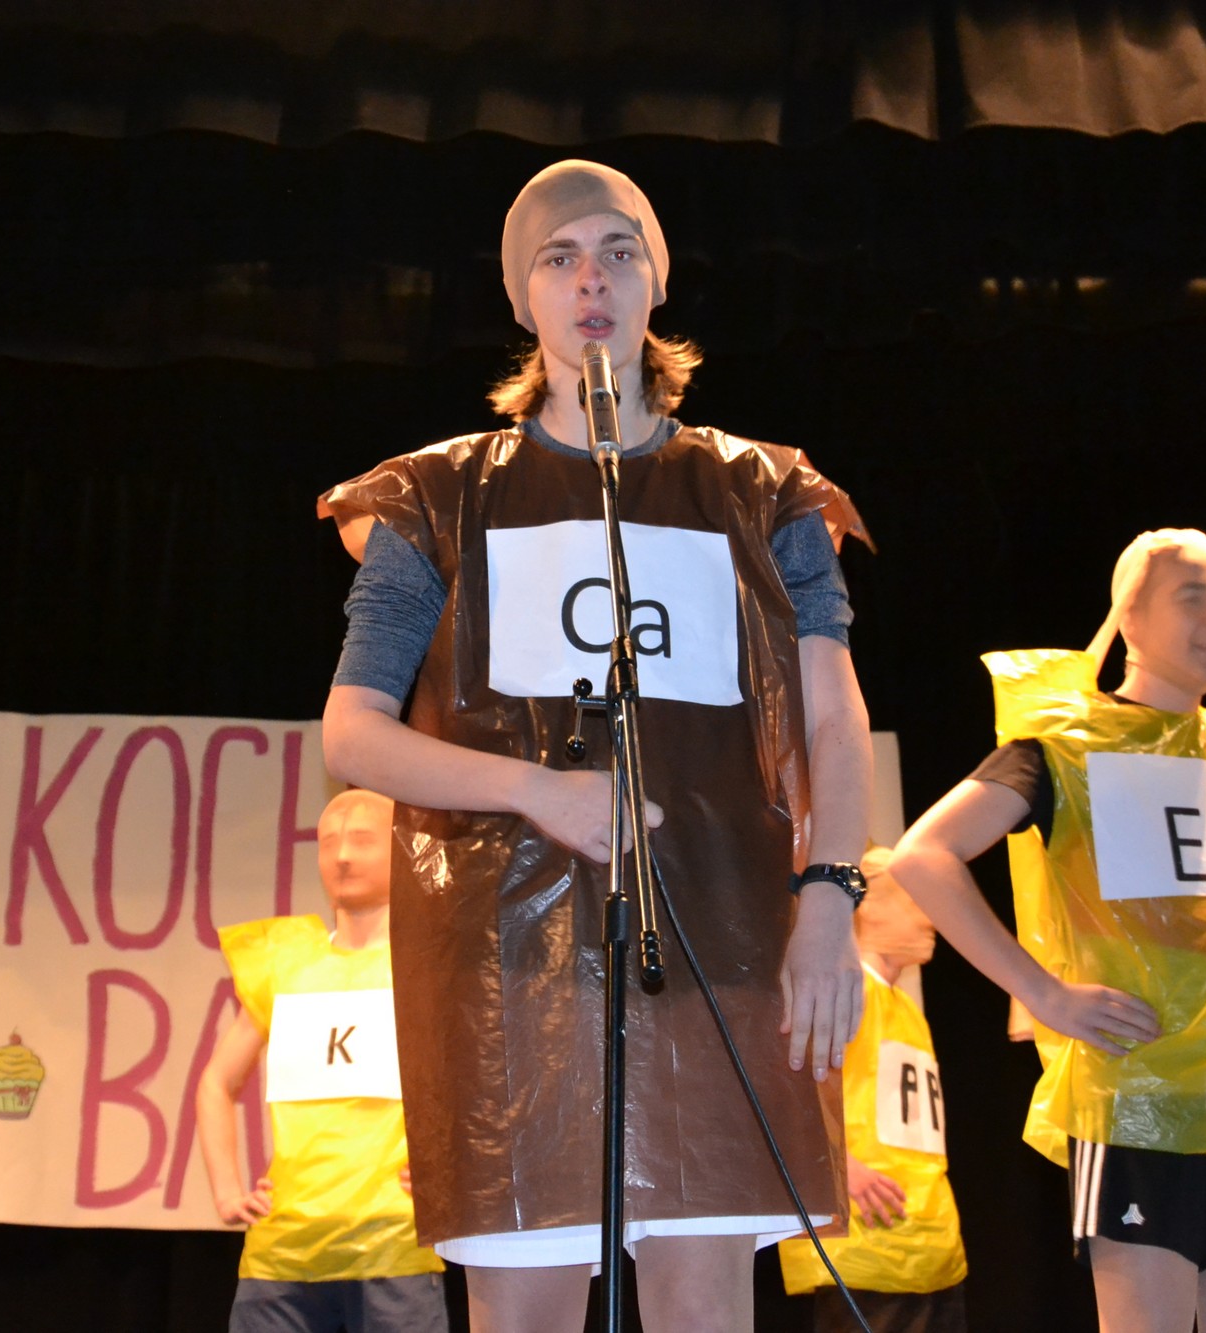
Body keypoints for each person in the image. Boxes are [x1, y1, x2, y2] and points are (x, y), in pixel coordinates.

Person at [317, 159, 874, 1333]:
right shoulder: (434, 496)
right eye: (559, 258)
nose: (591, 281)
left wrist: (830, 893)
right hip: (509, 958)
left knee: (701, 1304)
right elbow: (352, 734)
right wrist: (540, 792)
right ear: (522, 297)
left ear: (653, 283)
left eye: (619, 253)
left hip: (721, 937)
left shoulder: (764, 490)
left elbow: (832, 715)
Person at [887, 530, 1206, 1333]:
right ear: (1130, 615)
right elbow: (924, 855)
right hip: (1139, 1104)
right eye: (1193, 595)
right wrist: (1043, 992)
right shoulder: (1067, 744)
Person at [194, 788, 448, 1333]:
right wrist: (226, 1190)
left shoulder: (429, 966)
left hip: (394, 1243)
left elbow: (488, 1081)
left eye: (362, 840)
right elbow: (216, 1081)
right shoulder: (286, 964)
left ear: (401, 851)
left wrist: (453, 1171)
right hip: (283, 1249)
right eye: (329, 842)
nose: (343, 856)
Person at [777, 845, 969, 1332]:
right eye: (914, 899)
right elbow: (784, 1086)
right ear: (869, 905)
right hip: (862, 1246)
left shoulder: (904, 1009)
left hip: (928, 1244)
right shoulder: (843, 989)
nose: (929, 915)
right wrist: (839, 1165)